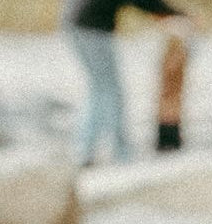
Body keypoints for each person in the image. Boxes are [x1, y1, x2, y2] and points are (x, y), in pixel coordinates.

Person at [61, 0, 191, 166]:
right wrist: (175, 14)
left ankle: (86, 150)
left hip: (78, 23)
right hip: (90, 27)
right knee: (110, 92)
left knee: (100, 90)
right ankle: (119, 153)